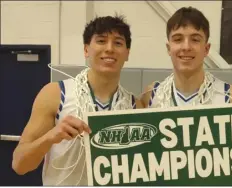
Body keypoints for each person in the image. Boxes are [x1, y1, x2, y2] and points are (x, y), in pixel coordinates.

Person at [141, 6, 232, 181]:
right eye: (178, 39)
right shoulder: (151, 95)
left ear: (206, 48)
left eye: (195, 39)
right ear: (168, 47)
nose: (186, 47)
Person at [12, 15, 143, 185]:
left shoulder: (135, 106)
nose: (110, 48)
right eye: (101, 41)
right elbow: (19, 164)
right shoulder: (56, 94)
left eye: (118, 43)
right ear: (86, 49)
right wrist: (51, 136)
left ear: (127, 53)